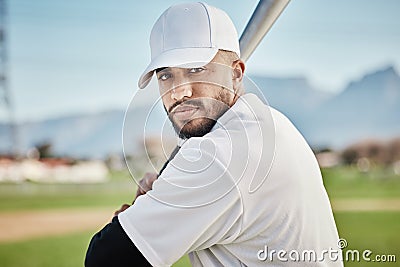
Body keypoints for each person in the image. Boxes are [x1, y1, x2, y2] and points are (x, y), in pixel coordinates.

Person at [85, 2, 343, 266]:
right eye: (166, 76)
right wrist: (163, 195)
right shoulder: (274, 125)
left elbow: (105, 258)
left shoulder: (219, 155)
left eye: (196, 70)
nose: (179, 91)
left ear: (236, 74)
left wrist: (142, 210)